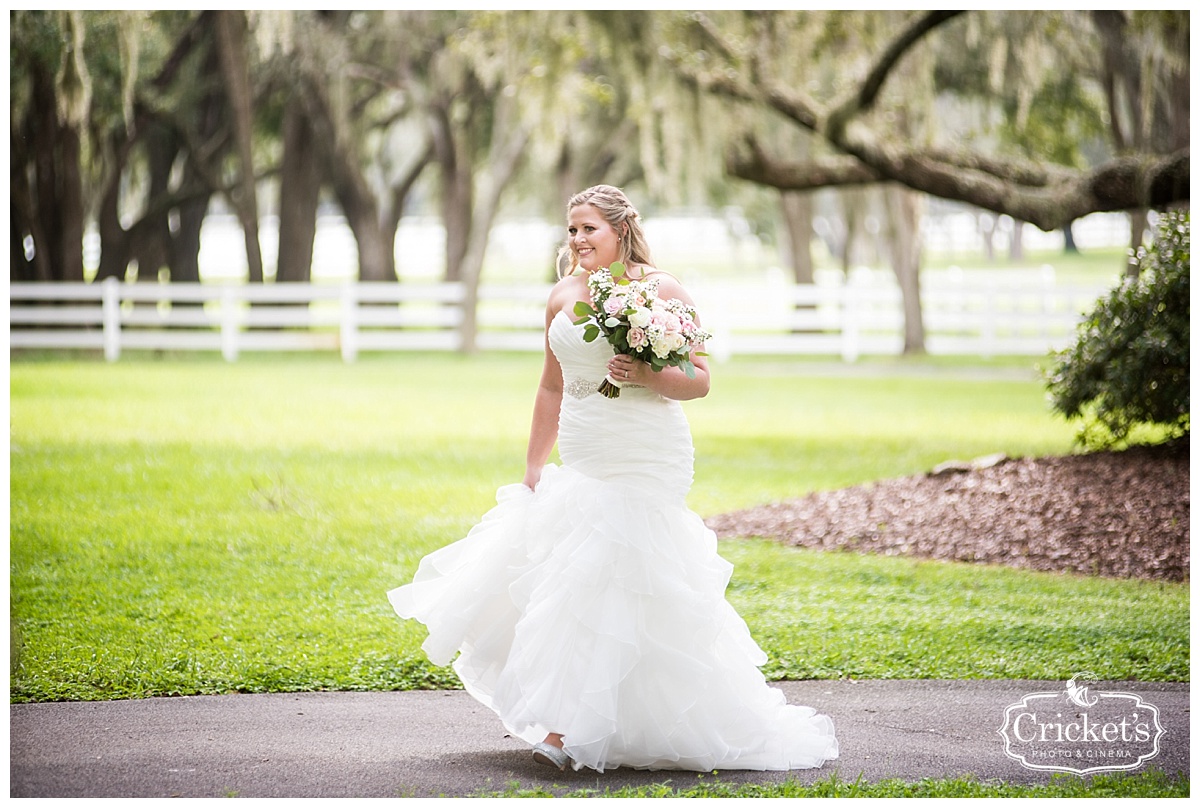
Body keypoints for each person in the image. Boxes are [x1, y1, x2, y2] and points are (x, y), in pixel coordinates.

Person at [388, 185, 838, 773]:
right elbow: (551, 387)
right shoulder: (562, 295)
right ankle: (582, 722)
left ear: (620, 230)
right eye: (571, 229)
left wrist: (650, 372)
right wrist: (532, 466)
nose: (577, 240)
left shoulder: (662, 290)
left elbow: (700, 379)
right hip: (584, 451)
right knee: (577, 581)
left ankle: (564, 731)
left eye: (589, 229)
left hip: (646, 453)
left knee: (616, 575)